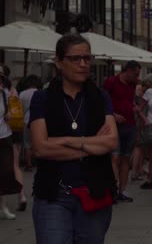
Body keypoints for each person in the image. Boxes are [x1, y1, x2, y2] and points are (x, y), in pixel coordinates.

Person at [29, 34, 118, 243]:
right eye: (75, 59)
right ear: (59, 62)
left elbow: (111, 142)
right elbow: (41, 148)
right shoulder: (42, 98)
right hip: (54, 194)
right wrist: (91, 145)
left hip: (94, 193)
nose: (83, 64)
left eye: (87, 58)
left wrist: (67, 141)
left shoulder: (100, 97)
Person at [103, 60, 141, 202]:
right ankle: (112, 189)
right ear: (128, 71)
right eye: (135, 74)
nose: (137, 77)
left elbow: (132, 101)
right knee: (115, 157)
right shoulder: (111, 82)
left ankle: (122, 191)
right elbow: (102, 102)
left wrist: (136, 108)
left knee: (126, 158)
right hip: (114, 125)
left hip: (130, 125)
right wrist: (112, 114)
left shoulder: (133, 84)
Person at [0, 69, 22, 220]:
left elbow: (12, 110)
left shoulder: (3, 94)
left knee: (5, 171)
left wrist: (9, 114)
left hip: (4, 136)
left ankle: (3, 207)